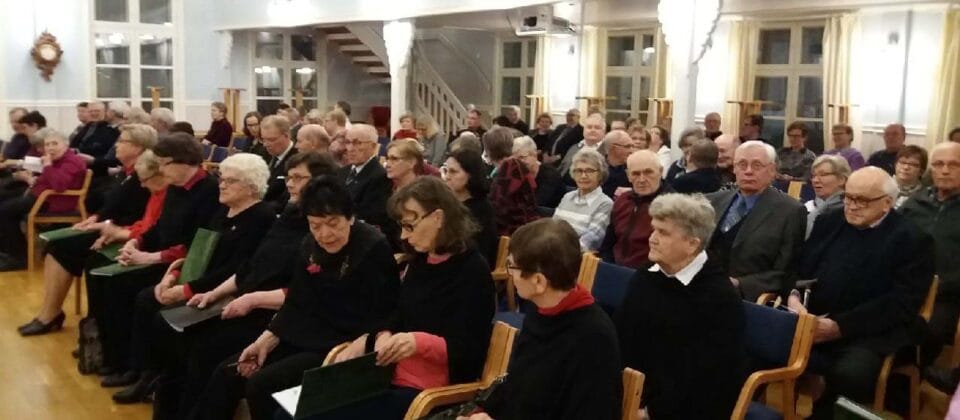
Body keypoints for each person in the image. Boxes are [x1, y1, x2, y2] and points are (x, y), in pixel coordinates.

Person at [190, 175, 400, 420]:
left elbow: (387, 310)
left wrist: (364, 340)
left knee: (261, 384)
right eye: (315, 225)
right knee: (227, 373)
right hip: (302, 331)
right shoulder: (309, 245)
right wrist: (265, 340)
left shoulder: (372, 247)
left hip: (341, 341)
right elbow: (297, 299)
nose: (325, 234)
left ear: (350, 217)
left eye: (333, 223)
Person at [152, 152, 338, 419]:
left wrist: (252, 299)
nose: (289, 183)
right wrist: (212, 293)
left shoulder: (319, 229)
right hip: (248, 301)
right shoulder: (287, 215)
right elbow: (250, 266)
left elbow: (305, 290)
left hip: (274, 313)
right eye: (289, 177)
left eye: (298, 178)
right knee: (179, 337)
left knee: (206, 350)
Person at [304, 176, 496, 420]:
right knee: (292, 410)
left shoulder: (472, 271)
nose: (404, 236)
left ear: (438, 218)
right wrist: (382, 334)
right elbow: (399, 312)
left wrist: (417, 342)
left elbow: (469, 350)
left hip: (430, 388)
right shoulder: (421, 261)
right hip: (391, 374)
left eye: (409, 226)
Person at [115, 153, 276, 403]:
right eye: (222, 178)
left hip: (225, 292)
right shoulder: (223, 210)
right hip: (202, 280)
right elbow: (197, 249)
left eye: (231, 181)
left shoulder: (261, 217)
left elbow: (237, 269)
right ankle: (145, 374)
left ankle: (163, 382)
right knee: (146, 299)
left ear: (251, 186)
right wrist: (173, 276)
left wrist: (187, 289)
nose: (222, 185)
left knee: (163, 317)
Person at [791, 167, 934, 417]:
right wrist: (793, 296)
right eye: (848, 197)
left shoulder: (912, 239)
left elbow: (901, 304)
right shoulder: (830, 221)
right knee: (758, 345)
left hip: (867, 331)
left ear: (887, 203)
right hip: (809, 321)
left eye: (863, 200)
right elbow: (798, 266)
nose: (852, 206)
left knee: (851, 374)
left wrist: (840, 327)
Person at [90, 132, 221, 387]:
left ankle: (141, 370)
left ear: (184, 161)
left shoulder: (209, 191)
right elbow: (160, 227)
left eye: (164, 163)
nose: (160, 170)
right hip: (162, 257)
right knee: (105, 277)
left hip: (184, 264)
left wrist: (149, 257)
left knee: (135, 293)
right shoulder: (176, 187)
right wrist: (136, 242)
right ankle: (116, 357)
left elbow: (197, 245)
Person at [470, 219, 623, 420]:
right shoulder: (540, 309)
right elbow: (518, 383)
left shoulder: (593, 339)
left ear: (539, 281)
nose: (510, 275)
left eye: (512, 267)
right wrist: (485, 412)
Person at [18, 125, 158, 334]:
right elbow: (111, 206)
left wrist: (106, 225)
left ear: (137, 147)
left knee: (63, 248)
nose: (116, 145)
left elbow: (136, 215)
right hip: (109, 227)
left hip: (124, 233)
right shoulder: (126, 173)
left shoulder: (143, 177)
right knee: (55, 246)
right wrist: (95, 218)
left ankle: (53, 315)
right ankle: (50, 311)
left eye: (122, 141)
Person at [618, 193, 745, 419]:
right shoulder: (647, 275)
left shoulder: (719, 298)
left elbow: (709, 378)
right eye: (654, 229)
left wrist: (649, 412)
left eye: (663, 232)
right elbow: (622, 336)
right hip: (630, 392)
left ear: (691, 244)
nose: (652, 238)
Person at [706, 141, 806, 301]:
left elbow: (785, 272)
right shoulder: (711, 201)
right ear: (734, 168)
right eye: (742, 165)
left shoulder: (790, 211)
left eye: (757, 165)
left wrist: (739, 284)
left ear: (772, 170)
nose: (748, 171)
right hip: (700, 288)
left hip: (744, 298)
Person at [901, 142, 960, 377]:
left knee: (929, 331)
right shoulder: (915, 202)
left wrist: (942, 285)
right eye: (938, 164)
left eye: (954, 165)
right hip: (905, 287)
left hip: (948, 295)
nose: (945, 170)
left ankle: (909, 378)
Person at [0, 129, 87, 271]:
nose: (50, 148)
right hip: (42, 197)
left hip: (53, 202)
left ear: (66, 145)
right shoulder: (57, 159)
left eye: (55, 144)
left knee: (5, 211)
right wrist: (35, 180)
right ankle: (9, 252)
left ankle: (18, 258)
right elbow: (47, 180)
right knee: (5, 204)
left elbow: (59, 185)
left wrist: (47, 166)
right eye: (47, 144)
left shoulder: (73, 161)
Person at [599, 150, 672, 269]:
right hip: (614, 268)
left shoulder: (673, 206)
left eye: (648, 172)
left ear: (660, 171)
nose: (642, 179)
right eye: (635, 174)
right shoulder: (622, 201)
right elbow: (608, 243)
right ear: (628, 176)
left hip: (649, 273)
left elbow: (670, 254)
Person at [442, 148, 498, 268]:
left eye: (453, 172)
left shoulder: (481, 208)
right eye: (446, 171)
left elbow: (476, 248)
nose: (447, 177)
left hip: (470, 267)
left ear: (471, 175)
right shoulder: (446, 203)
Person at [553, 149, 614, 252]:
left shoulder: (605, 203)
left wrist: (557, 250)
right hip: (553, 251)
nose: (583, 176)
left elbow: (590, 241)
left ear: (600, 174)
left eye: (589, 171)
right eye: (579, 171)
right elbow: (552, 228)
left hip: (575, 255)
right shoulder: (567, 197)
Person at [339, 123, 392, 233]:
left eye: (357, 143)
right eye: (348, 142)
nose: (350, 148)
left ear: (373, 146)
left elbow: (371, 216)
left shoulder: (379, 176)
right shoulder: (342, 172)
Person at [485, 127, 539, 235]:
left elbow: (498, 208)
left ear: (488, 152)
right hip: (524, 228)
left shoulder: (510, 167)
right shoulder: (514, 165)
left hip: (514, 232)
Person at [805, 155, 851, 238]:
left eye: (823, 175)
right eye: (813, 176)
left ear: (842, 179)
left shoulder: (848, 210)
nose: (815, 180)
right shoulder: (812, 207)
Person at [513, 135, 563, 208]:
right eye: (515, 159)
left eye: (522, 157)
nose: (518, 162)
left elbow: (537, 203)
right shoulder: (517, 173)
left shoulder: (550, 175)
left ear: (535, 155)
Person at [260, 115, 296, 209]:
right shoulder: (265, 154)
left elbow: (285, 201)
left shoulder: (297, 160)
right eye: (264, 139)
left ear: (286, 136)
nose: (266, 144)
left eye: (271, 140)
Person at [559, 113, 606, 183]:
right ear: (584, 130)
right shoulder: (574, 147)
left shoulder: (607, 150)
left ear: (604, 132)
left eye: (597, 128)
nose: (592, 130)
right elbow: (562, 168)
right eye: (589, 127)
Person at [602, 130, 637, 198]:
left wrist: (632, 191)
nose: (631, 151)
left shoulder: (634, 168)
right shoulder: (597, 168)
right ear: (613, 148)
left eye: (633, 146)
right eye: (627, 146)